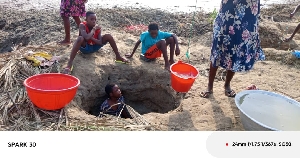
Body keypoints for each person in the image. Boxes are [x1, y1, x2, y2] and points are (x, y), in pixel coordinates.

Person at [200, 0, 265, 98]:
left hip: (246, 18)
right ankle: (210, 86)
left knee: (236, 51)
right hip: (227, 15)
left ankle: (227, 85)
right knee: (217, 50)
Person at [63, 11, 129, 74]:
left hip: (95, 47)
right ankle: (70, 63)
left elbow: (100, 42)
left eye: (95, 19)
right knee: (80, 38)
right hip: (85, 48)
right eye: (91, 19)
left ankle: (118, 56)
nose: (94, 21)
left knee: (108, 36)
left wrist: (91, 36)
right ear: (86, 20)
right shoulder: (82, 25)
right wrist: (93, 30)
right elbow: (86, 38)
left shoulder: (98, 28)